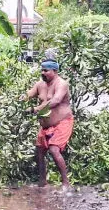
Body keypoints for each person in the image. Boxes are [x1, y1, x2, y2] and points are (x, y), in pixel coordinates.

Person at [25, 60, 74, 188]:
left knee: (53, 149)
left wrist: (35, 109)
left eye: (46, 70)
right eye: (42, 70)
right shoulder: (40, 85)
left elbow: (55, 101)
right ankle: (42, 182)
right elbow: (29, 94)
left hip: (62, 122)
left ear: (55, 71)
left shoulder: (61, 84)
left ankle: (65, 183)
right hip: (45, 125)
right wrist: (20, 98)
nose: (43, 73)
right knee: (40, 151)